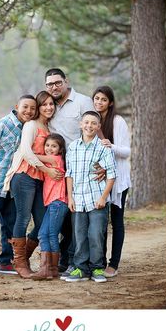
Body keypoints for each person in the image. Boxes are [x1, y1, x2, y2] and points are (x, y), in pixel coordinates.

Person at [3, 91, 63, 279]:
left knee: (43, 221)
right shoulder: (31, 125)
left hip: (40, 180)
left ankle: (24, 256)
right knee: (23, 218)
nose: (48, 107)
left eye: (51, 104)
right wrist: (48, 170)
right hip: (24, 176)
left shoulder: (49, 127)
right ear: (39, 108)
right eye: (44, 104)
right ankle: (21, 264)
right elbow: (27, 153)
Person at [0, 94, 37, 279]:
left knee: (9, 224)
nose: (28, 111)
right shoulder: (2, 124)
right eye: (25, 107)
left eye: (32, 108)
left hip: (12, 185)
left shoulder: (28, 128)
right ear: (17, 106)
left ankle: (5, 261)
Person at [45, 68, 96, 276]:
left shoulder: (83, 102)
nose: (54, 87)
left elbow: (94, 129)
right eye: (49, 84)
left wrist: (98, 164)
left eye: (57, 83)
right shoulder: (49, 106)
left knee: (78, 217)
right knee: (64, 218)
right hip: (57, 170)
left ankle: (80, 262)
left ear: (66, 81)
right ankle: (65, 261)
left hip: (81, 167)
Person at [65, 111, 117, 283]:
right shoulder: (73, 147)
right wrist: (70, 197)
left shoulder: (103, 148)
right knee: (79, 236)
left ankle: (96, 268)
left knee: (96, 235)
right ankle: (81, 268)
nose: (89, 126)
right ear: (81, 124)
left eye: (93, 123)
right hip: (78, 199)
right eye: (86, 122)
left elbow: (111, 174)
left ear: (98, 127)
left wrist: (104, 197)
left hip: (97, 200)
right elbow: (69, 174)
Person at [92, 86, 131, 277]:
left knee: (116, 221)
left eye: (103, 99)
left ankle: (113, 264)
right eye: (96, 98)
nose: (99, 102)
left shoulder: (117, 121)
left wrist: (111, 145)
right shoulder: (93, 120)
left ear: (111, 103)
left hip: (118, 181)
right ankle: (98, 261)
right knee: (99, 222)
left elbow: (126, 152)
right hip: (100, 179)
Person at [31, 133, 69, 280]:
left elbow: (36, 157)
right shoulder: (50, 163)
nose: (49, 148)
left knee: (52, 234)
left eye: (54, 146)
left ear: (60, 150)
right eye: (47, 145)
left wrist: (29, 151)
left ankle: (51, 268)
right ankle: (48, 269)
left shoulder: (56, 159)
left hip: (58, 202)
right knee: (42, 234)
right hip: (53, 203)